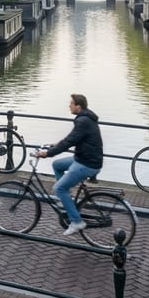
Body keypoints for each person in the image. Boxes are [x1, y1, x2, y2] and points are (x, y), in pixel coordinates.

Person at [35, 93, 103, 236]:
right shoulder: (85, 118)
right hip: (85, 158)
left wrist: (48, 153)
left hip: (87, 163)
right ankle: (67, 199)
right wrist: (57, 144)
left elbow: (70, 141)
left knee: (59, 188)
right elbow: (72, 138)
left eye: (71, 103)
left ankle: (77, 221)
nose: (69, 106)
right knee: (57, 165)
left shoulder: (83, 121)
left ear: (78, 107)